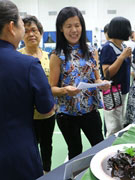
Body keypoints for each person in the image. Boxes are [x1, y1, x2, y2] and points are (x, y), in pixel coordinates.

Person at [0, 1, 55, 180]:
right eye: (24, 26)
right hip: (17, 152)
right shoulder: (28, 64)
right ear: (11, 27)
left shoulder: (46, 57)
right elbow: (46, 108)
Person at [49, 6, 110, 160]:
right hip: (67, 114)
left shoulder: (91, 51)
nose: (74, 30)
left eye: (77, 25)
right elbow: (51, 88)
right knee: (75, 151)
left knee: (100, 147)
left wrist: (101, 83)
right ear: (61, 29)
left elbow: (96, 77)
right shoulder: (57, 55)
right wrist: (65, 90)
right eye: (68, 26)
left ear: (82, 27)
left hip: (90, 110)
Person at [19, 15, 55, 174]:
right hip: (26, 115)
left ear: (41, 33)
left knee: (47, 145)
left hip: (48, 114)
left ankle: (47, 172)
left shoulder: (49, 57)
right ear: (21, 35)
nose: (31, 34)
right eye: (26, 31)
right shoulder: (17, 56)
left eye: (34, 30)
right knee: (29, 146)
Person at [100, 16, 132, 136]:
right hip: (112, 92)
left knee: (119, 123)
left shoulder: (122, 47)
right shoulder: (108, 47)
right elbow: (107, 73)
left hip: (122, 90)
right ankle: (110, 150)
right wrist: (122, 57)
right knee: (113, 127)